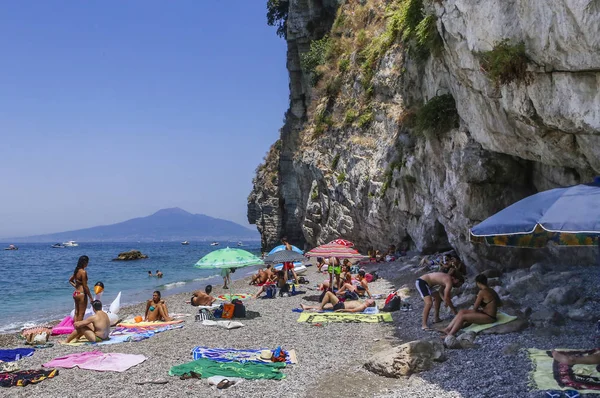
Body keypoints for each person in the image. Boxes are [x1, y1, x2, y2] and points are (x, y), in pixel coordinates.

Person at [69, 255, 93, 322]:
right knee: (81, 314)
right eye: (87, 262)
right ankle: (78, 330)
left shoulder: (76, 271)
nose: (87, 264)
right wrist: (90, 297)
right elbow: (85, 286)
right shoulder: (83, 272)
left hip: (76, 293)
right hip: (82, 294)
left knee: (76, 313)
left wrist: (76, 286)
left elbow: (70, 280)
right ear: (84, 262)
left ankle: (75, 328)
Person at [300, 291, 375, 312]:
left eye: (370, 300)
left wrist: (342, 310)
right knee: (325, 306)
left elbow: (353, 310)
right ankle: (307, 307)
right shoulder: (362, 303)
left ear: (370, 303)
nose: (368, 299)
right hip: (340, 304)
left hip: (340, 306)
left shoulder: (364, 305)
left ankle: (320, 308)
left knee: (328, 293)